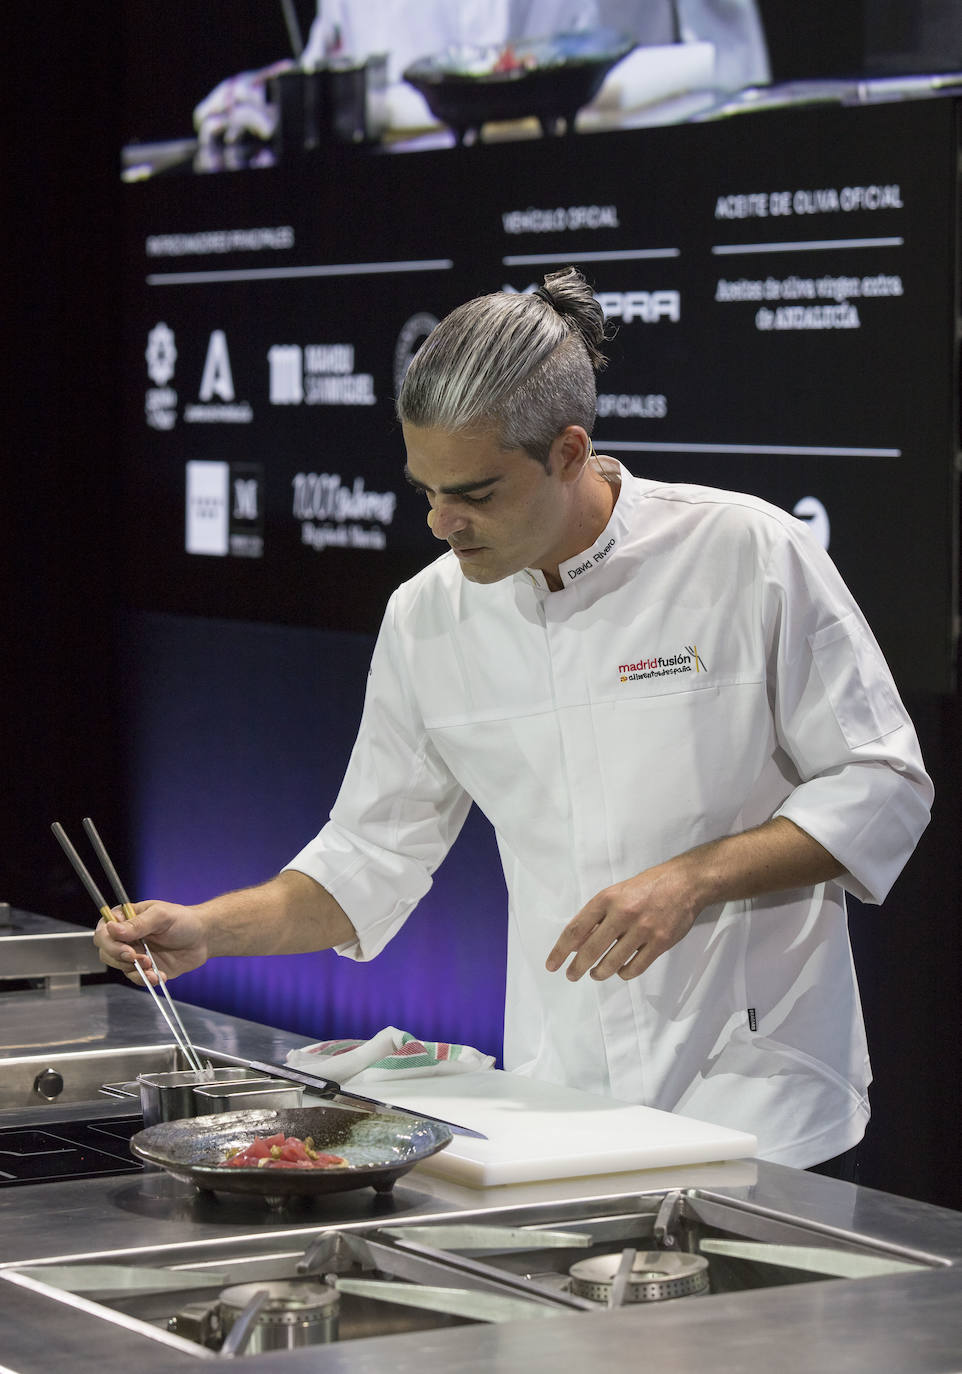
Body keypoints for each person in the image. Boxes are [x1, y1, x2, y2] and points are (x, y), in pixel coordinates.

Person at [95, 267, 933, 1173]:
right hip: (564, 1096)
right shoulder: (427, 617)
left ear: (569, 452)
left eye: (477, 493)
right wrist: (209, 930)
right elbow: (369, 857)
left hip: (766, 1086)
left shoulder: (745, 552)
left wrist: (692, 879)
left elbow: (880, 780)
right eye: (425, 490)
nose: (442, 521)